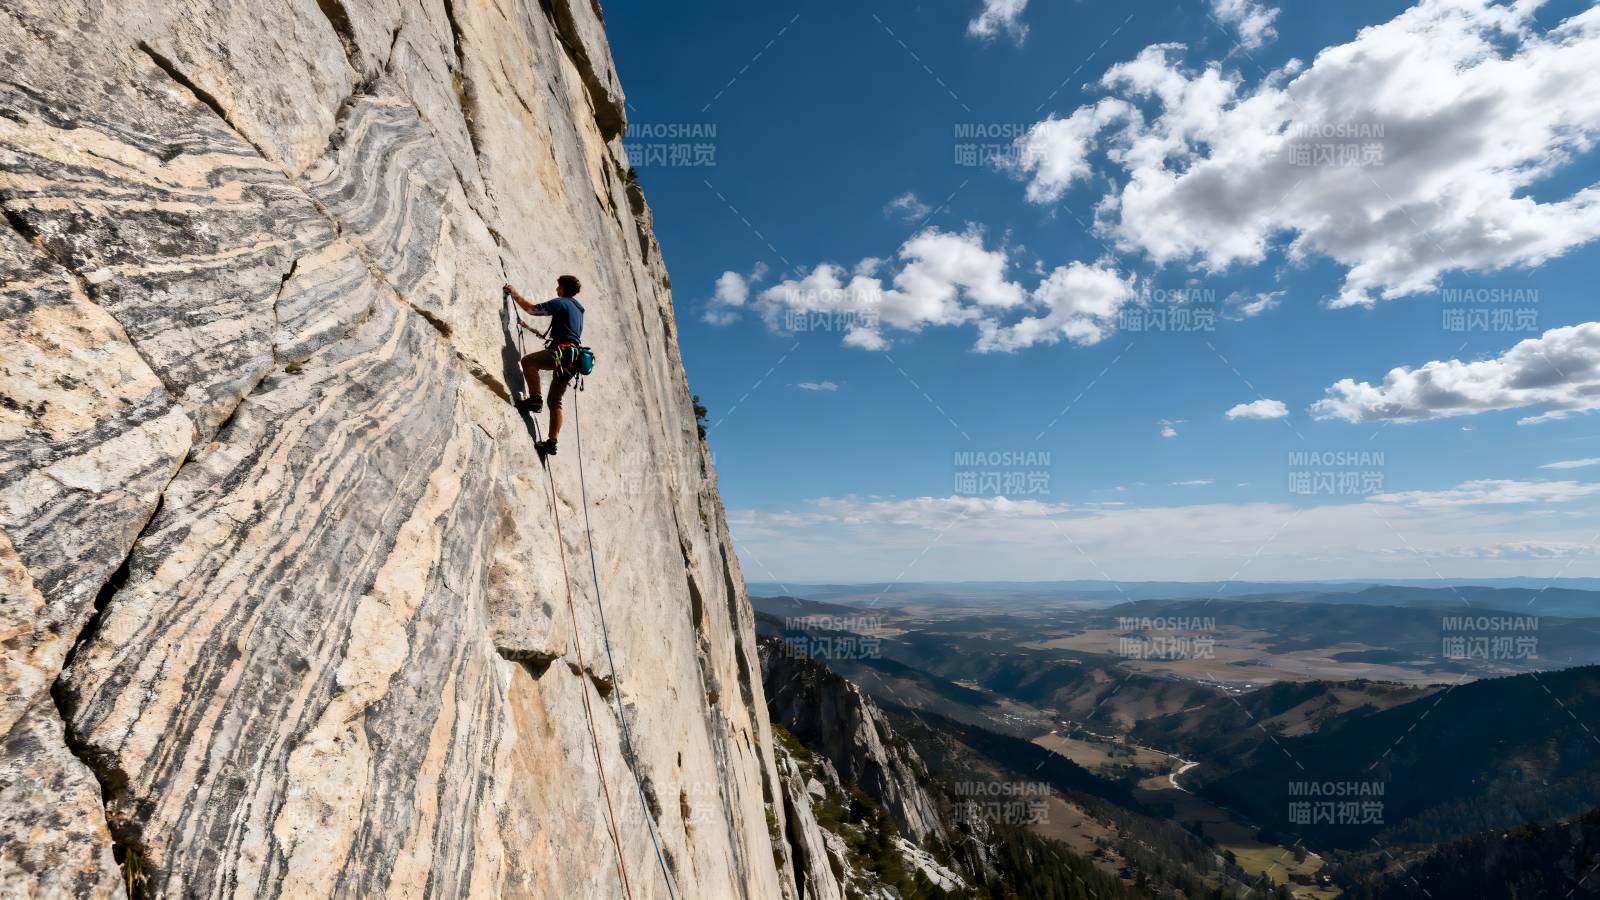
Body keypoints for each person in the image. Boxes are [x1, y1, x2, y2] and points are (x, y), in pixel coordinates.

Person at [505, 275, 585, 457]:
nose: (556, 289)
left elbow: (533, 310)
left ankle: (535, 399)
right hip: (572, 359)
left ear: (563, 288)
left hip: (561, 353)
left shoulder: (562, 303)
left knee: (528, 362)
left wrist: (515, 293)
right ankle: (551, 443)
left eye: (558, 286)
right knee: (555, 402)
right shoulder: (578, 310)